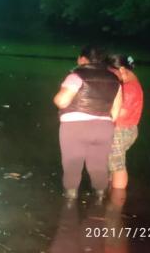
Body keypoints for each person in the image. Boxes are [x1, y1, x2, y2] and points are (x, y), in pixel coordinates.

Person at [53, 45, 122, 201]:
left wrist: (56, 97)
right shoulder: (114, 79)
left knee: (73, 164)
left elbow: (62, 101)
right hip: (105, 128)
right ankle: (100, 198)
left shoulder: (76, 76)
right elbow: (116, 110)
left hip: (75, 128)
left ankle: (70, 202)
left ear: (83, 59)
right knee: (99, 166)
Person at [107, 54, 143, 190]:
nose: (110, 76)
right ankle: (111, 193)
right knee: (114, 164)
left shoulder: (128, 88)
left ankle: (117, 202)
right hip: (127, 129)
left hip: (119, 131)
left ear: (122, 70)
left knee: (117, 167)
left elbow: (119, 112)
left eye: (111, 73)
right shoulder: (132, 85)